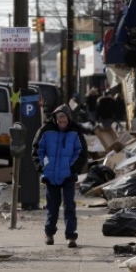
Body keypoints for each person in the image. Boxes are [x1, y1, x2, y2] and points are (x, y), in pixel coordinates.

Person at [31, 105, 88, 248]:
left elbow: (81, 151)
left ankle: (71, 237)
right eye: (60, 122)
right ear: (55, 120)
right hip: (51, 175)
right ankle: (49, 233)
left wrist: (72, 167)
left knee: (69, 205)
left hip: (68, 175)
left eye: (65, 122)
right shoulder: (45, 130)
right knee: (52, 206)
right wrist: (42, 166)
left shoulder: (75, 131)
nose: (62, 125)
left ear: (68, 119)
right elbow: (38, 149)